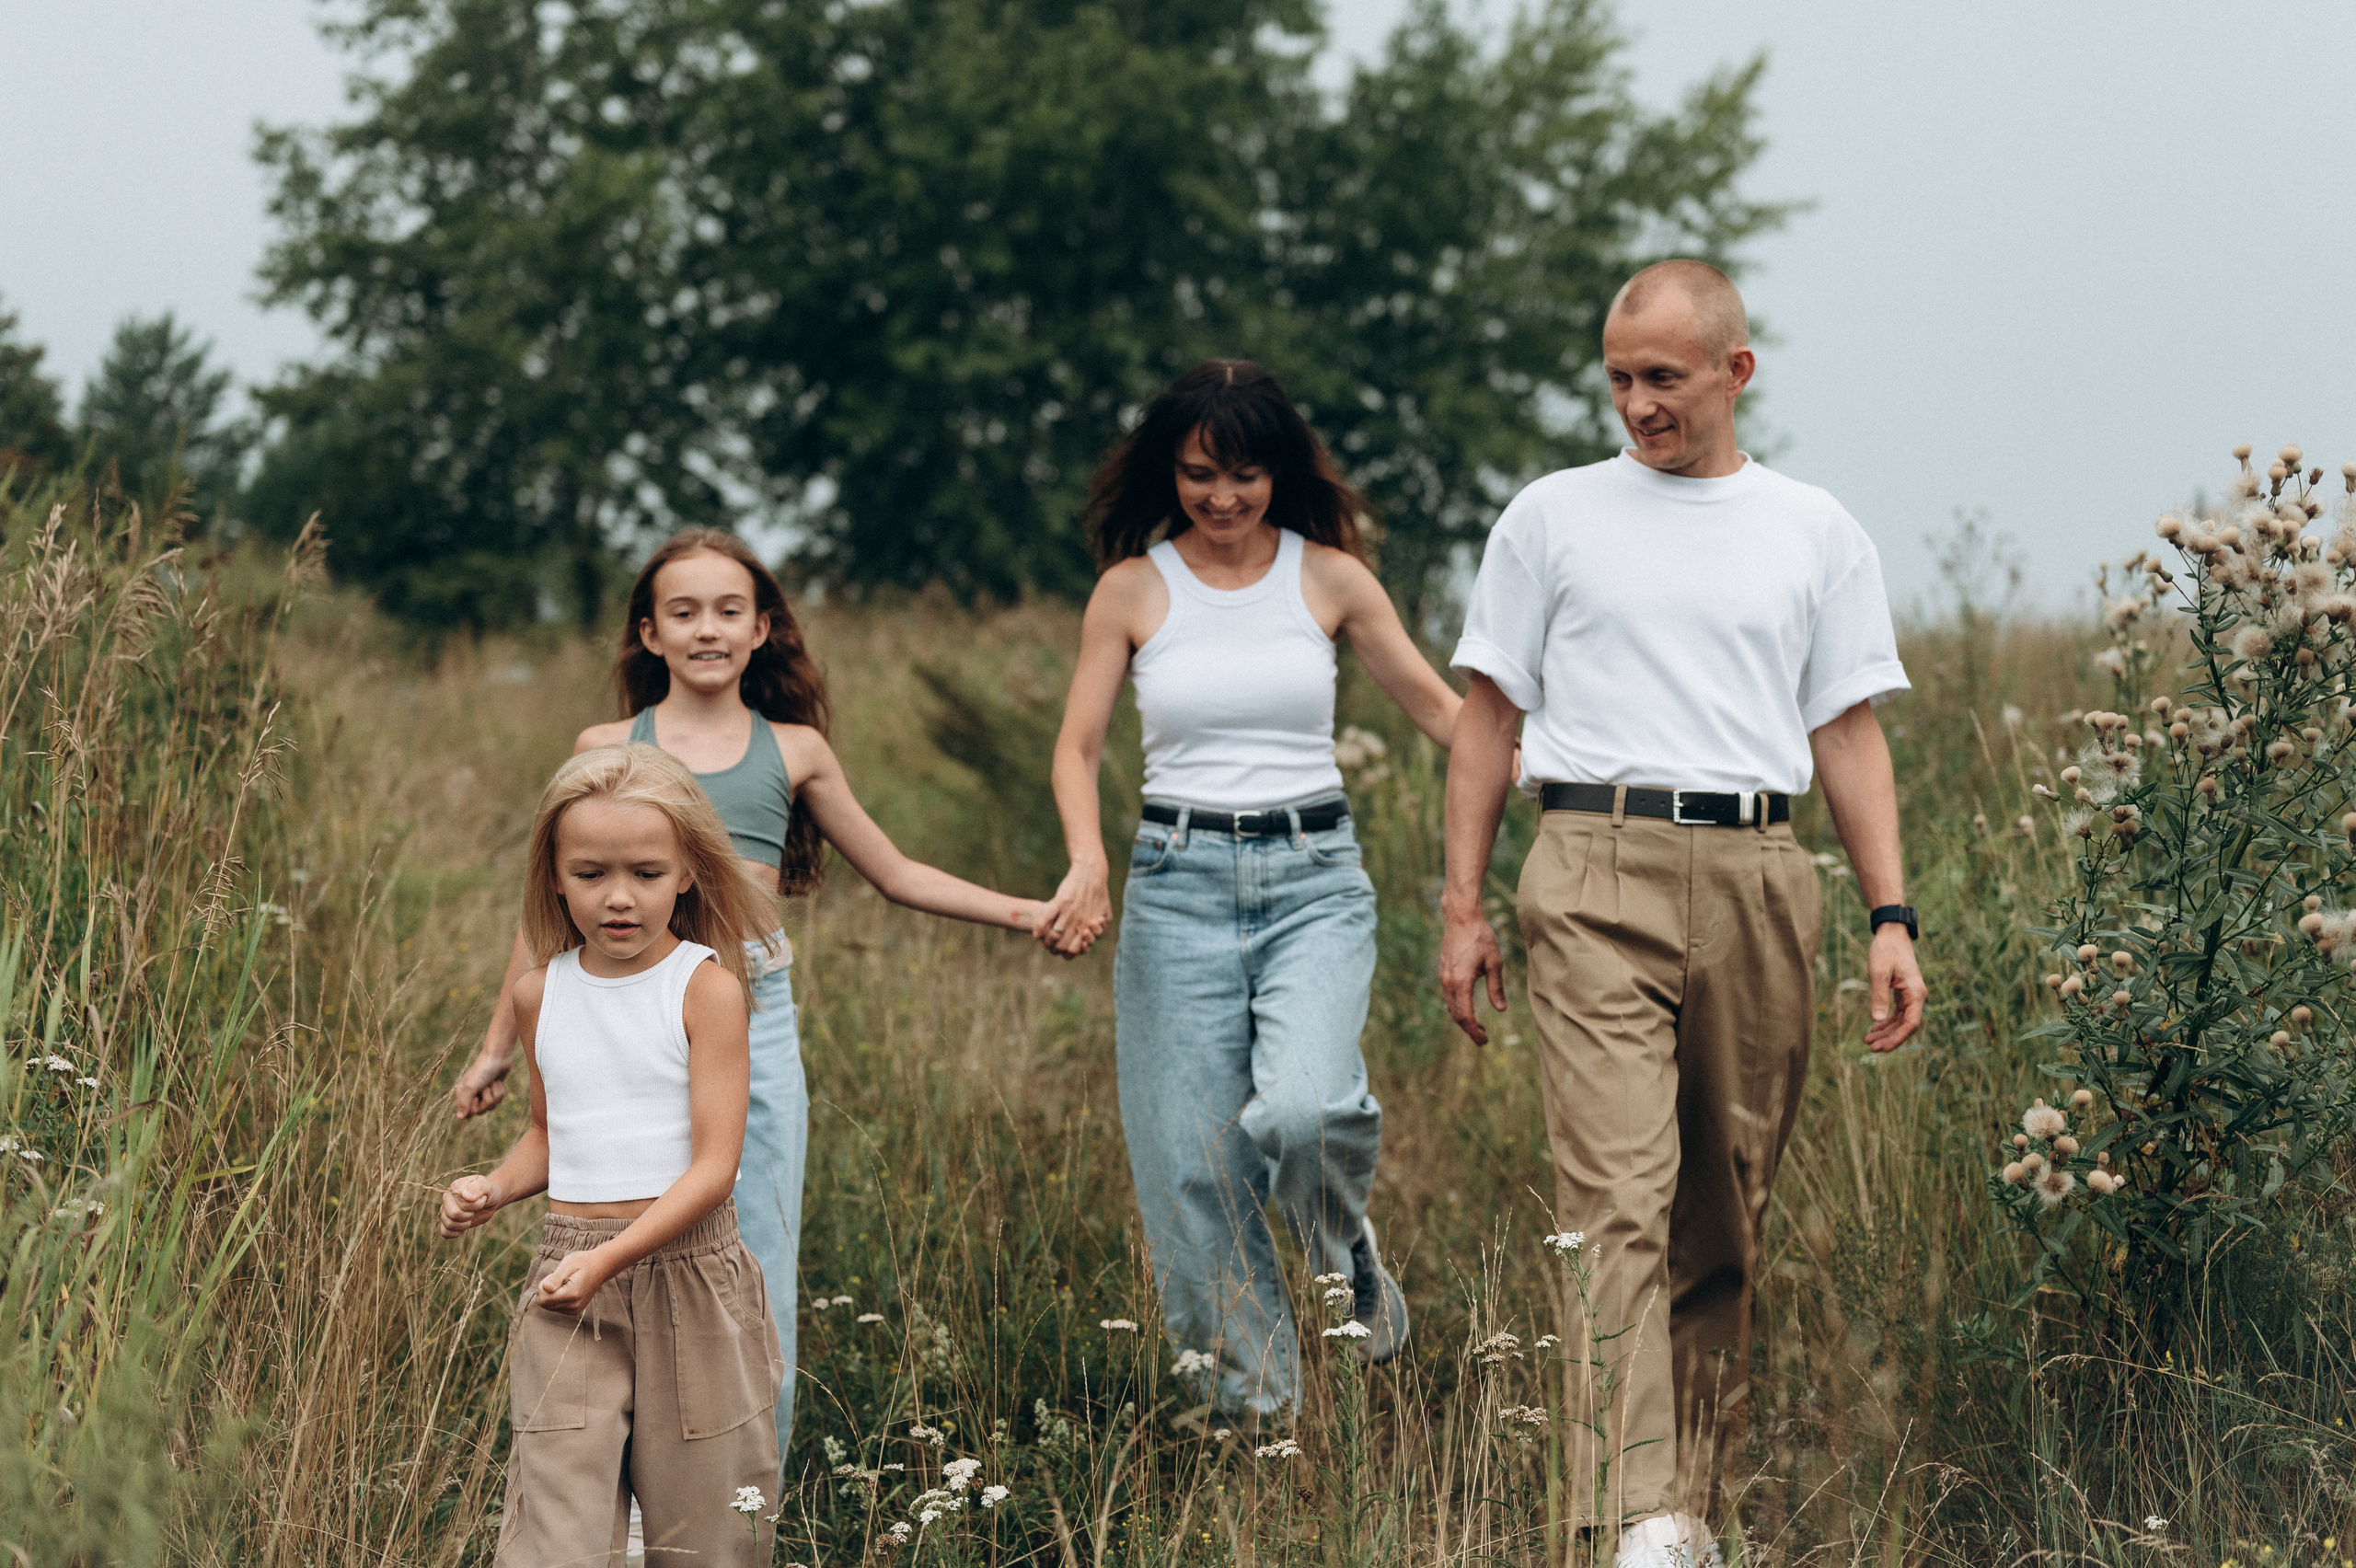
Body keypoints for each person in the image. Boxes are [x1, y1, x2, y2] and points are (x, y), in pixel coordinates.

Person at [1438, 260, 1924, 1568]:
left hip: (1763, 872)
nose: (1639, 405)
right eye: (1618, 379)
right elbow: (1488, 719)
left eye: (1663, 378)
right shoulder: (1551, 518)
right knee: (1618, 1196)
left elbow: (1848, 730)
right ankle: (1634, 1519)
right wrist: (1461, 905)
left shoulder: (1815, 530)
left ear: (1734, 373)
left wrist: (1893, 916)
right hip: (1591, 861)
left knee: (1723, 1206)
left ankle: (1690, 1510)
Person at [450, 529, 1046, 1474]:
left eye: (729, 610)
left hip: (748, 1010)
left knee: (751, 1255)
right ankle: (630, 1484)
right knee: (621, 1233)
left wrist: (1028, 912)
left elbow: (893, 872)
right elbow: (546, 917)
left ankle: (738, 1493)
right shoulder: (608, 748)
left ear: (763, 628)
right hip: (617, 1015)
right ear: (648, 633)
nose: (706, 629)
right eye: (682, 613)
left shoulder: (794, 750)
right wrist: (496, 1046)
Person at [1035, 360, 1462, 1424]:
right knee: (1190, 1169)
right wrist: (1088, 859)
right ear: (1167, 474)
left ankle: (1342, 1252)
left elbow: (1444, 714)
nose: (1222, 499)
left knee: (1304, 1110)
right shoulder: (1133, 588)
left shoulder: (1329, 578)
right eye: (1197, 476)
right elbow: (1078, 744)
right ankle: (1253, 1418)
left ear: (1280, 470)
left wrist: (1569, 775)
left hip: (1313, 879)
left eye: (1244, 475)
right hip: (1176, 884)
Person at [438, 744, 782, 1564]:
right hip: (568, 1284)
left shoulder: (706, 990)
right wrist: (493, 1187)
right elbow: (552, 1138)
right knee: (557, 1529)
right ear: (553, 876)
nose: (618, 898)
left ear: (689, 872)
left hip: (687, 1275)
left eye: (647, 874)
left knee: (706, 1530)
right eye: (590, 874)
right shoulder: (540, 993)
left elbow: (713, 1168)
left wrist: (612, 1261)